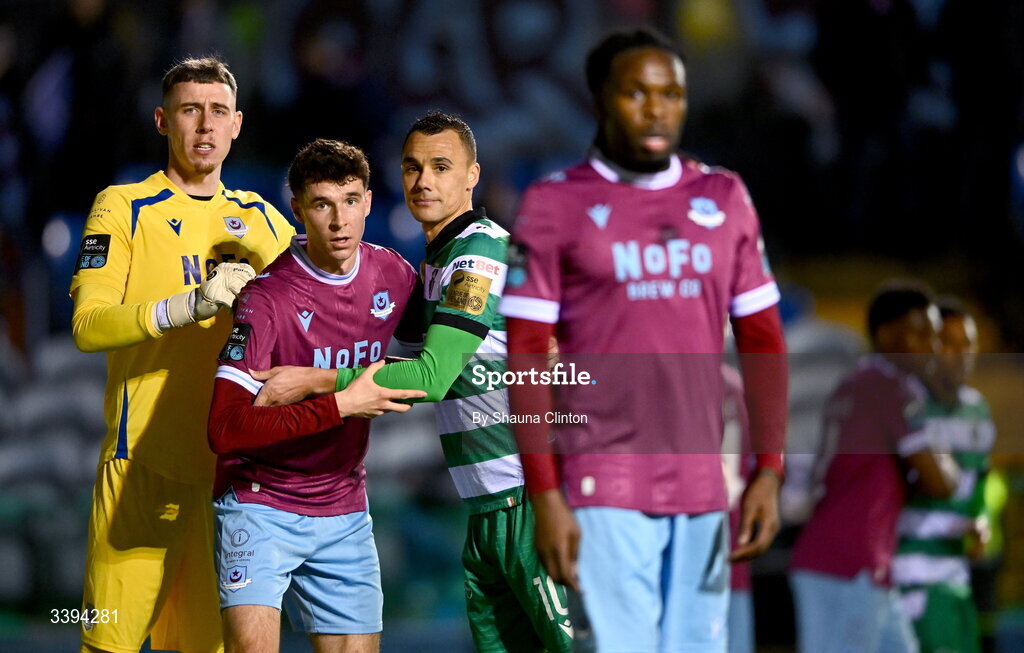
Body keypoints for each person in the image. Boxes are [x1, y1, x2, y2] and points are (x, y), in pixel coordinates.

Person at [498, 28, 789, 652]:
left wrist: (768, 469)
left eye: (672, 94)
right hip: (603, 479)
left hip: (705, 482)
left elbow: (763, 339)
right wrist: (545, 494)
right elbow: (524, 356)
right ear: (601, 100)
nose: (657, 108)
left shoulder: (724, 197)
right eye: (637, 93)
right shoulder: (554, 203)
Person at [254, 112, 574, 652]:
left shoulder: (478, 252)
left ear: (472, 175)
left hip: (532, 499)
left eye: (441, 167)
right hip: (488, 509)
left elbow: (431, 377)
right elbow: (379, 354)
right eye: (412, 166)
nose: (424, 180)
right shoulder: (433, 266)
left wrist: (312, 381)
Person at [69, 57, 296, 653]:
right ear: (162, 120)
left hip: (227, 483)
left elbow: (315, 321)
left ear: (238, 124)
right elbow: (88, 326)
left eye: (218, 111)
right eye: (190, 110)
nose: (205, 125)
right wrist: (189, 304)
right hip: (140, 466)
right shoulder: (122, 206)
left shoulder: (263, 223)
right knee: (106, 645)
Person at [206, 138, 425, 653]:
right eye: (322, 204)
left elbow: (427, 373)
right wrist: (343, 404)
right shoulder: (266, 300)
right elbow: (223, 429)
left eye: (350, 201)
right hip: (260, 504)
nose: (339, 220)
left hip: (344, 507)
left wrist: (324, 382)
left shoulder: (393, 275)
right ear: (298, 209)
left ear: (369, 201)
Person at [789, 282, 960, 653]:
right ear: (886, 335)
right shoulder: (893, 389)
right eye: (920, 334)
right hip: (850, 565)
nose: (932, 346)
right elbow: (943, 482)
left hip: (846, 560)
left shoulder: (855, 383)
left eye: (933, 335)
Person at [893, 298, 995, 653]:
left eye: (967, 343)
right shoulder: (909, 403)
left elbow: (979, 484)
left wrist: (981, 520)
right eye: (948, 342)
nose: (959, 353)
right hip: (912, 570)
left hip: (956, 573)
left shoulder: (977, 409)